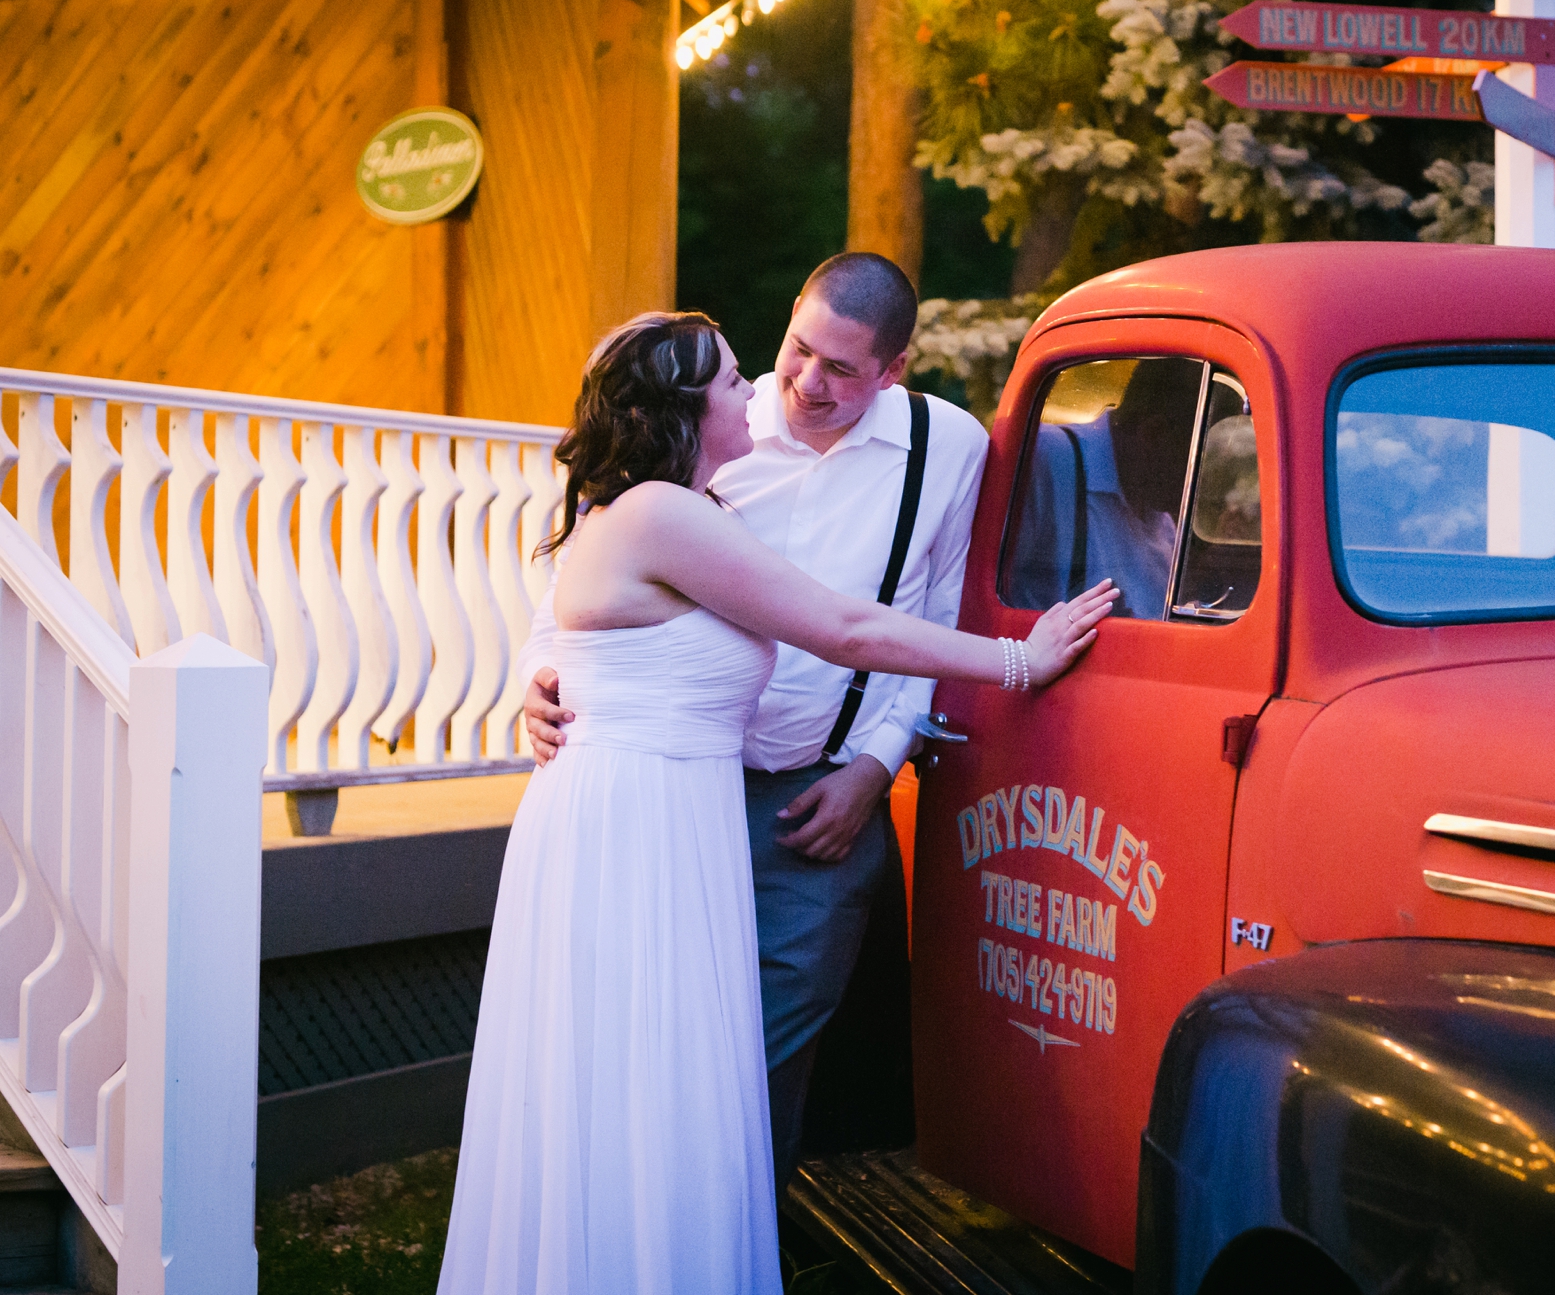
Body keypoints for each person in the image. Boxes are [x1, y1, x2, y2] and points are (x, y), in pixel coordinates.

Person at [436, 310, 1114, 1293]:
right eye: (726, 380)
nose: (751, 387)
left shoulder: (676, 507)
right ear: (680, 410)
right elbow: (844, 627)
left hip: (669, 816)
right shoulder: (660, 516)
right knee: (635, 1074)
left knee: (664, 1080)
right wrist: (1018, 656)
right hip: (635, 826)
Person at [519, 253, 989, 1192]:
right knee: (644, 1048)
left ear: (895, 370)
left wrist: (871, 770)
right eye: (798, 349)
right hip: (669, 797)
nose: (807, 383)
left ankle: (735, 1248)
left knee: (759, 1071)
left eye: (844, 369)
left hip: (816, 808)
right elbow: (578, 564)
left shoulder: (949, 449)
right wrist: (536, 676)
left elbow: (930, 618)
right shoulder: (706, 421)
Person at [1005, 357, 1206, 620]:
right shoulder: (1047, 459)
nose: (1208, 482)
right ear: (1153, 435)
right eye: (1204, 461)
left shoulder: (1161, 518)